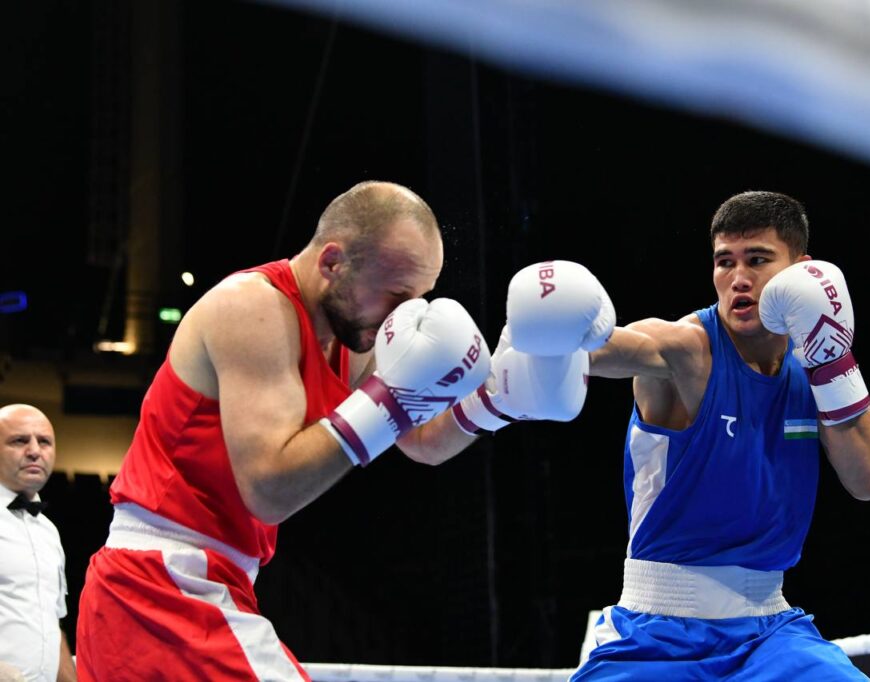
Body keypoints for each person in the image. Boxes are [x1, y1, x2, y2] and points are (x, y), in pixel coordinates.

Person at [74, 182, 611, 681]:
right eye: (397, 295)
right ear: (332, 262)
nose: (406, 317)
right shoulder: (252, 308)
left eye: (420, 297)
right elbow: (269, 490)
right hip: (159, 583)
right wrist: (390, 401)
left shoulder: (350, 338)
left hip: (201, 584)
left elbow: (423, 441)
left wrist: (499, 401)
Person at [568, 191, 870, 680]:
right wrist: (552, 340)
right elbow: (617, 348)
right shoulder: (687, 348)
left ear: (801, 271)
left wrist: (833, 365)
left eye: (757, 260)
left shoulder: (814, 362)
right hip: (656, 634)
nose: (739, 278)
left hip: (770, 633)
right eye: (725, 262)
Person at [0, 404, 77, 682]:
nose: (34, 451)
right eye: (19, 440)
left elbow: (52, 624)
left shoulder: (48, 532)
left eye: (44, 441)